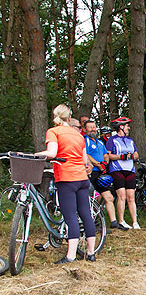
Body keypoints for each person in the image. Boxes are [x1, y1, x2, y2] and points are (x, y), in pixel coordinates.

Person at [35, 104, 97, 264]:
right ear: (69, 118)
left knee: (70, 217)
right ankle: (91, 253)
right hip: (82, 179)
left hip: (66, 178)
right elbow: (84, 160)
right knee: (86, 215)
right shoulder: (78, 135)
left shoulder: (53, 132)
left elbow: (52, 153)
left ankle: (70, 256)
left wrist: (34, 155)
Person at [84, 119, 119, 229]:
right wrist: (97, 164)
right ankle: (92, 224)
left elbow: (106, 155)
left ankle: (113, 222)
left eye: (94, 127)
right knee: (91, 199)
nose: (93, 129)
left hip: (101, 173)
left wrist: (104, 163)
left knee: (108, 197)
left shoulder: (99, 142)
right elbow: (85, 154)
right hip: (90, 172)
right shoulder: (84, 140)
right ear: (85, 129)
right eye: (90, 127)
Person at [106, 117, 140, 230]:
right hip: (117, 169)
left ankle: (135, 222)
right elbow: (108, 155)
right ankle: (121, 220)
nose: (128, 127)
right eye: (126, 126)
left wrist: (135, 156)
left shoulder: (130, 140)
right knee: (122, 196)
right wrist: (121, 156)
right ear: (120, 127)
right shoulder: (112, 140)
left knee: (131, 196)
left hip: (130, 169)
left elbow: (136, 153)